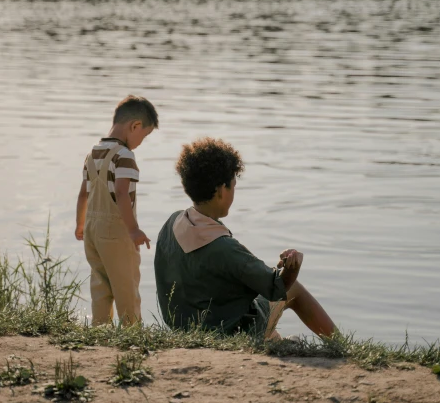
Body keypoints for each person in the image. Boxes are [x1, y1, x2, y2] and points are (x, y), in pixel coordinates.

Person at [154, 137, 335, 339]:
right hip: (226, 332)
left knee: (270, 330)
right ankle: (342, 347)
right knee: (295, 289)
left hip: (184, 327)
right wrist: (293, 265)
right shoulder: (225, 248)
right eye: (233, 185)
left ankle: (277, 344)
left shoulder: (172, 223)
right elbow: (276, 289)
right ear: (222, 191)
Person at [75, 95, 159, 326]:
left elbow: (84, 193)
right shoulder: (125, 156)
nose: (142, 141)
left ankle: (99, 330)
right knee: (126, 287)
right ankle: (132, 334)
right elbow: (122, 194)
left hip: (92, 229)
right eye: (145, 135)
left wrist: (80, 224)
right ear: (135, 126)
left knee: (100, 285)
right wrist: (133, 230)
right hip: (116, 231)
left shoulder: (93, 153)